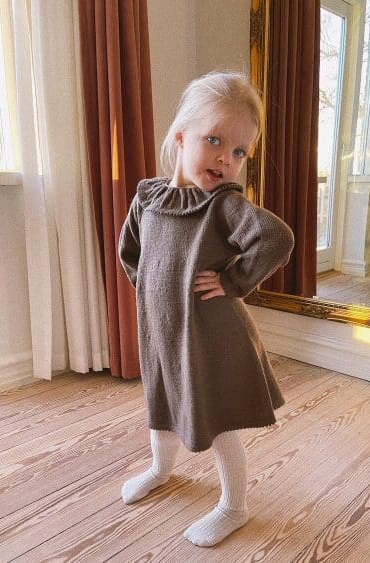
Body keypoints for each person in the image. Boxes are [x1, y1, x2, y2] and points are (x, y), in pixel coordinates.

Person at [118, 70, 294, 547]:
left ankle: (234, 507)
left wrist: (232, 281)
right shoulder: (148, 196)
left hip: (209, 335)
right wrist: (152, 291)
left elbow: (275, 238)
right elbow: (130, 251)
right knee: (160, 402)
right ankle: (160, 469)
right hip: (161, 329)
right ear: (180, 136)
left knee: (217, 421)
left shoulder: (223, 206)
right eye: (214, 140)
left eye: (239, 152)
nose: (225, 158)